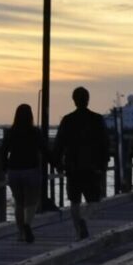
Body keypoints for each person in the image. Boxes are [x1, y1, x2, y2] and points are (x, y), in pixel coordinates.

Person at [51, 85, 109, 239]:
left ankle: (78, 232)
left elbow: (59, 143)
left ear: (74, 101)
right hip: (92, 166)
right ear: (88, 100)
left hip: (72, 166)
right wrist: (104, 164)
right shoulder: (97, 119)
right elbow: (105, 143)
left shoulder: (68, 120)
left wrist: (57, 163)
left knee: (74, 201)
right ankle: (85, 219)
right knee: (94, 200)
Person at [0, 103, 45, 243]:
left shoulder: (11, 132)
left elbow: (3, 151)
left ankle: (20, 233)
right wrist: (56, 162)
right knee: (32, 201)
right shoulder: (35, 132)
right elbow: (44, 149)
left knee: (19, 202)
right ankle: (27, 225)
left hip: (14, 171)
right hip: (31, 169)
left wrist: (5, 167)